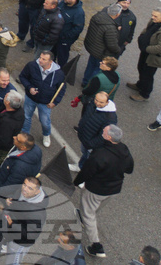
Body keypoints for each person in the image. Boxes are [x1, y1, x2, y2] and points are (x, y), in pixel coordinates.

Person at [74, 124, 134, 259]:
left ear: (109, 137)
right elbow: (129, 169)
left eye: (104, 132)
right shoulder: (124, 149)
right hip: (113, 189)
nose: (102, 132)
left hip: (96, 189)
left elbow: (87, 172)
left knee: (89, 214)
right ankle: (84, 219)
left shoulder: (100, 153)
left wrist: (76, 182)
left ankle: (96, 246)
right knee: (95, 209)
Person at [19, 50, 66, 147]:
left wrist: (55, 102)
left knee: (45, 121)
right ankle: (25, 134)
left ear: (51, 62)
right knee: (26, 116)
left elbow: (61, 89)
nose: (40, 60)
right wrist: (29, 87)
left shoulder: (59, 74)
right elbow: (22, 76)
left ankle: (46, 134)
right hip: (30, 98)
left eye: (44, 59)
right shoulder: (32, 65)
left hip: (45, 103)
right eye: (40, 57)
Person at [73, 91, 118, 171]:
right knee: (85, 155)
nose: (97, 103)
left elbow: (104, 136)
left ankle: (84, 177)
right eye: (96, 100)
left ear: (107, 102)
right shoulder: (92, 104)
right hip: (86, 139)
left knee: (90, 160)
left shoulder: (110, 117)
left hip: (93, 145)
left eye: (101, 102)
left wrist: (91, 144)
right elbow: (85, 116)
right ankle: (80, 166)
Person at [82, 3, 122, 86]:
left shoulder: (97, 17)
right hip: (102, 53)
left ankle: (85, 81)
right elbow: (112, 45)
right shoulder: (110, 27)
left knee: (90, 65)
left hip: (92, 47)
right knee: (97, 69)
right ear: (117, 14)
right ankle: (90, 85)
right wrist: (118, 50)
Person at [131, 8, 161, 102]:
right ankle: (140, 85)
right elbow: (147, 30)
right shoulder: (154, 21)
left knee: (147, 75)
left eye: (155, 16)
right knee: (140, 67)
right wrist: (142, 37)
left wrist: (146, 49)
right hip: (146, 52)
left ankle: (144, 94)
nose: (152, 17)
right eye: (152, 15)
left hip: (153, 57)